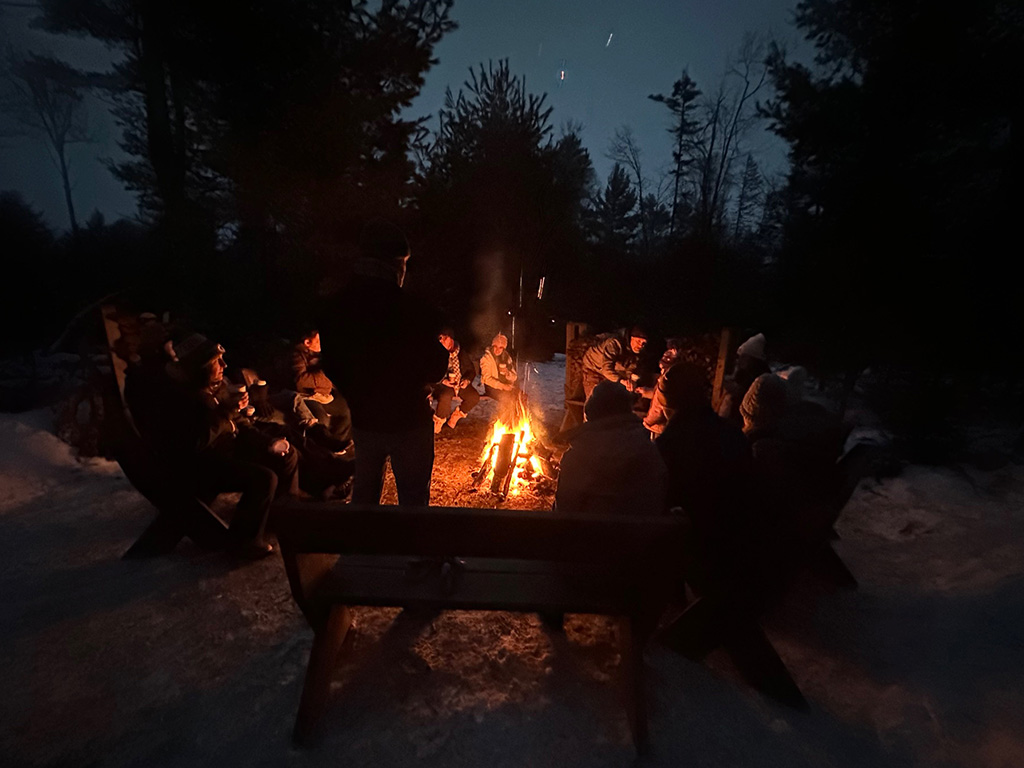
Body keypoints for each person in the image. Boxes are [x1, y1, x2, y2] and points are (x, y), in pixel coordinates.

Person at [317, 219, 449, 506]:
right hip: (409, 422)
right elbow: (435, 368)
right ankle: (408, 549)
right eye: (403, 264)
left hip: (365, 419)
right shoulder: (411, 310)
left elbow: (332, 363)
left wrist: (357, 394)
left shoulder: (337, 306)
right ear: (396, 264)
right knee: (413, 500)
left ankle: (365, 547)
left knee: (364, 495)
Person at [147, 334, 302, 559]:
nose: (224, 365)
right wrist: (224, 414)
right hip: (198, 464)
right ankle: (243, 542)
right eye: (216, 362)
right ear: (200, 367)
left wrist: (269, 442)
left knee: (286, 454)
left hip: (227, 448)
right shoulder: (179, 398)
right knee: (263, 478)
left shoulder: (216, 385)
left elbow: (238, 424)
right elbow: (194, 442)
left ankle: (284, 517)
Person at [655, 363, 758, 595]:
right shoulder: (733, 434)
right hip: (743, 545)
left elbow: (658, 507)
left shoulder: (666, 448)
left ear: (666, 404)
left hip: (702, 554)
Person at [556, 380, 668, 516]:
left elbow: (565, 508)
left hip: (593, 533)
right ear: (627, 411)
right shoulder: (648, 450)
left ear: (590, 412)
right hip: (641, 533)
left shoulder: (578, 456)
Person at [291, 327, 353, 449]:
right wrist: (325, 376)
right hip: (307, 396)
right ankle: (320, 451)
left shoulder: (320, 355)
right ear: (307, 343)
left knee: (346, 409)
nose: (321, 342)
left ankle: (338, 443)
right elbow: (300, 380)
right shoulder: (297, 355)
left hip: (325, 394)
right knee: (321, 419)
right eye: (318, 340)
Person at [717, 332, 771, 426]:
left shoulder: (759, 379)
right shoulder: (741, 373)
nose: (739, 361)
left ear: (752, 359)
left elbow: (743, 392)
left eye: (743, 357)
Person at [432, 328, 481, 433]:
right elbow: (432, 372)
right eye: (440, 340)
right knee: (445, 396)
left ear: (451, 339)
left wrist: (466, 381)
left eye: (444, 339)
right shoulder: (438, 354)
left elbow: (471, 370)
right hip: (445, 384)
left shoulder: (461, 353)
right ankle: (438, 422)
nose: (442, 342)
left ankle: (456, 416)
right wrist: (443, 381)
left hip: (459, 383)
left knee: (474, 397)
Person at [581, 326, 648, 400]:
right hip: (593, 368)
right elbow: (606, 368)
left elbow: (632, 368)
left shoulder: (637, 352)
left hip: (613, 372)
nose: (640, 345)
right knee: (594, 400)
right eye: (638, 341)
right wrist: (622, 381)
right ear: (631, 338)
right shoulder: (615, 343)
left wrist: (631, 382)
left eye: (643, 343)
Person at [642, 338, 684, 436]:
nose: (666, 356)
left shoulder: (668, 380)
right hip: (660, 427)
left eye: (671, 356)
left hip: (659, 428)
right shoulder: (664, 377)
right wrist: (645, 392)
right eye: (667, 352)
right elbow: (659, 395)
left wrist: (647, 422)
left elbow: (660, 406)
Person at [479, 333, 521, 419]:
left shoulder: (506, 357)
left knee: (520, 396)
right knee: (508, 399)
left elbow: (514, 377)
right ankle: (506, 421)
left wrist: (507, 373)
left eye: (501, 348)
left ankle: (518, 421)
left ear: (504, 349)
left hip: (505, 385)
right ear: (492, 346)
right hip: (491, 387)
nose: (497, 350)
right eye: (495, 347)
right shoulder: (486, 358)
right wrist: (503, 386)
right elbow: (486, 379)